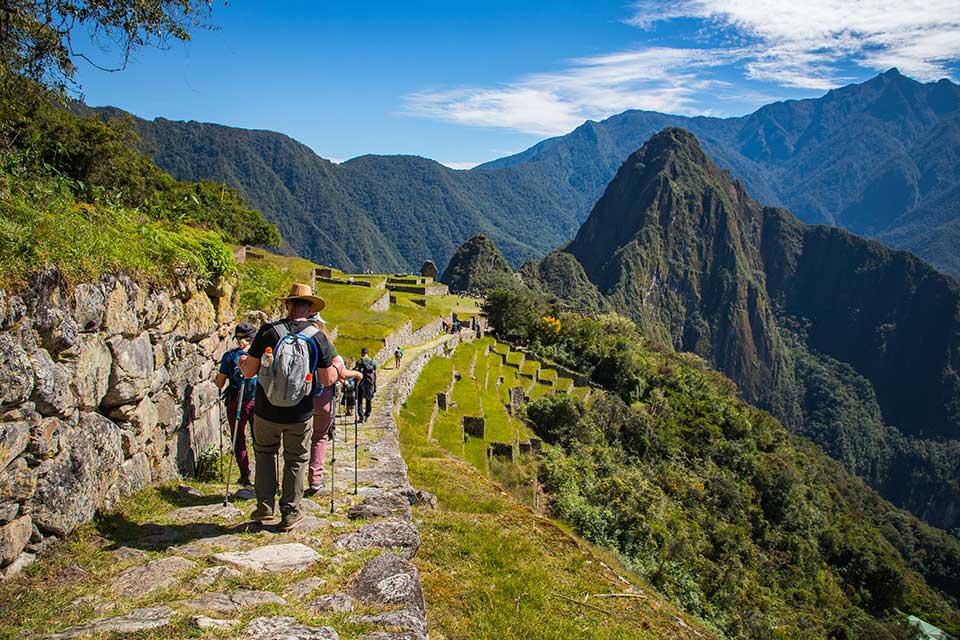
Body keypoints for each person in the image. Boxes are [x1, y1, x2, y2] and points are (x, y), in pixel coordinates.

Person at [240, 283, 338, 531]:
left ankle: (264, 507)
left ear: (288, 305)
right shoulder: (317, 338)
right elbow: (326, 380)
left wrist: (243, 364)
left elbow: (249, 371)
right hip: (300, 412)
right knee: (295, 459)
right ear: (310, 308)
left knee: (264, 454)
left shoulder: (267, 332)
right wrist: (338, 371)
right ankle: (290, 513)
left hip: (265, 409)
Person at [307, 313, 362, 493]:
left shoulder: (286, 337)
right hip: (321, 395)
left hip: (294, 397)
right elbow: (341, 372)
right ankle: (315, 479)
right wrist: (356, 375)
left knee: (295, 438)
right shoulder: (323, 343)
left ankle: (290, 482)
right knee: (319, 436)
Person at [214, 322, 258, 486]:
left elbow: (220, 382)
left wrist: (217, 379)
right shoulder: (259, 356)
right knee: (259, 439)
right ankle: (261, 475)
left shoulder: (229, 356)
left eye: (242, 338)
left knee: (238, 438)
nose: (241, 341)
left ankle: (244, 473)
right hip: (257, 400)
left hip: (236, 400)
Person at [355, 347, 377, 423]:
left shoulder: (359, 362)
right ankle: (367, 415)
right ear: (368, 353)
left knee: (360, 401)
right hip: (370, 383)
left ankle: (361, 417)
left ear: (362, 353)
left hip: (361, 382)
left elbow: (357, 373)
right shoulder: (373, 361)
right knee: (368, 400)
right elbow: (374, 371)